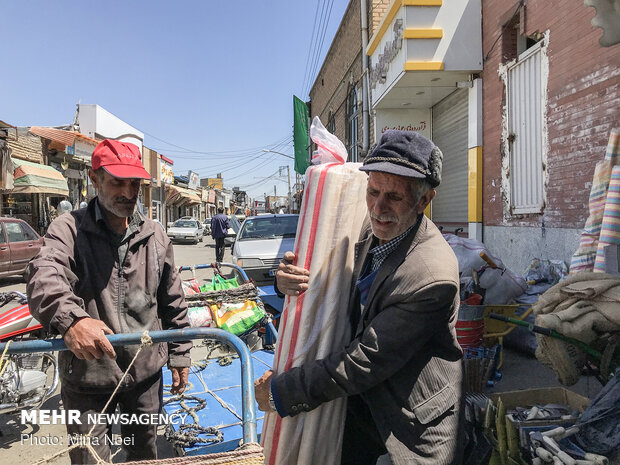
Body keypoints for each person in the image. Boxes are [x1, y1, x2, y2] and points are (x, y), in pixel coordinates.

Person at [255, 130, 464, 464]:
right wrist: (288, 281)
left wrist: (283, 391)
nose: (378, 208)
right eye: (372, 191)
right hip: (354, 412)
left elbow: (363, 362)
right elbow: (329, 282)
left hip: (405, 424)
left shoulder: (431, 277)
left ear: (425, 200)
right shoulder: (371, 231)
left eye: (393, 197)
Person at [27, 139, 191, 464]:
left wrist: (180, 355)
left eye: (135, 183)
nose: (128, 193)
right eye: (118, 182)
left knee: (144, 454)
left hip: (144, 375)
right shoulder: (68, 229)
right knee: (89, 459)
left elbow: (173, 299)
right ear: (94, 178)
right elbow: (44, 274)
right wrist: (71, 319)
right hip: (88, 377)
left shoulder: (155, 236)